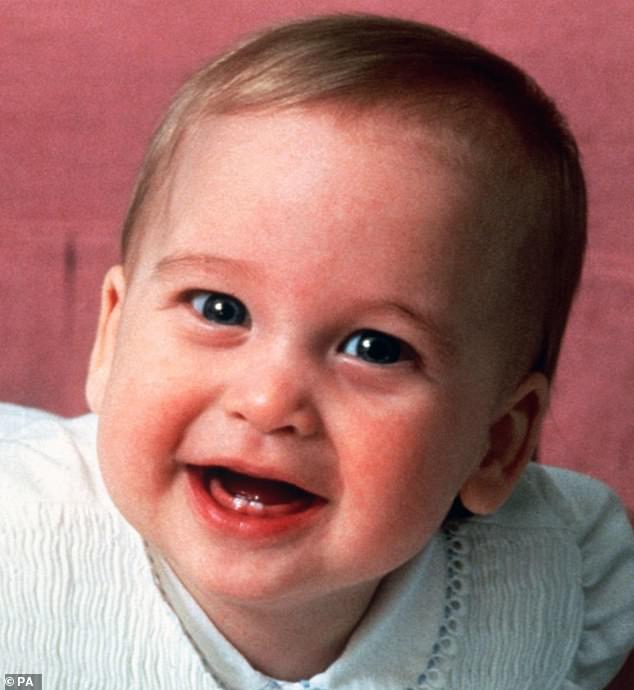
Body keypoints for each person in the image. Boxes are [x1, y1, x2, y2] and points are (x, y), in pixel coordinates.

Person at [1, 14, 632, 690]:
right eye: (220, 309)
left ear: (497, 444)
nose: (270, 402)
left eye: (375, 348)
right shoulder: (20, 531)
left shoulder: (556, 570)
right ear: (112, 340)